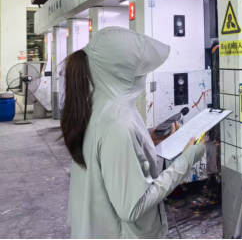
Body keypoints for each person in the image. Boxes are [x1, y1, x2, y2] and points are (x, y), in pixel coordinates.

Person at [60, 27, 205, 239]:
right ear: (125, 74)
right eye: (142, 71)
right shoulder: (118, 123)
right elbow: (133, 207)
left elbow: (110, 155)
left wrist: (149, 138)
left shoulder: (98, 105)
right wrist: (186, 160)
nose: (144, 77)